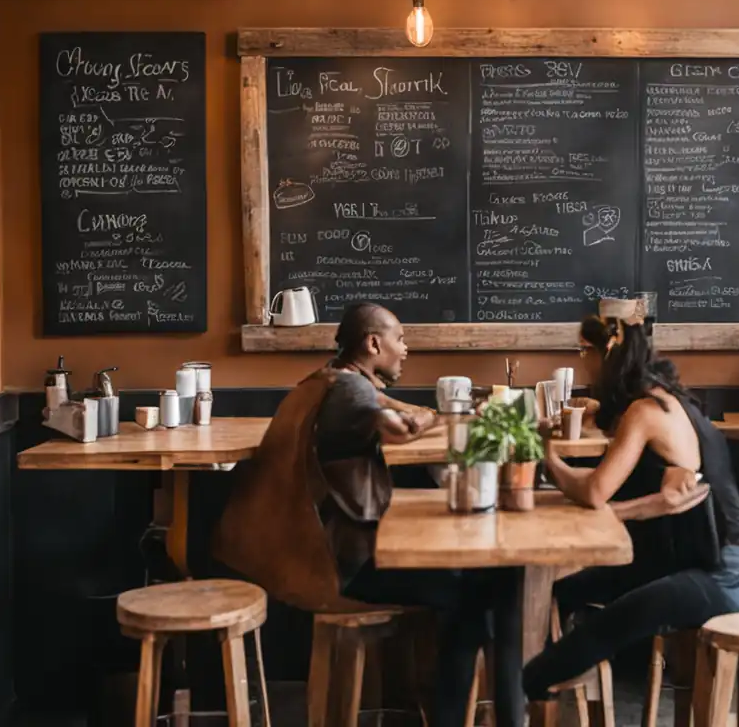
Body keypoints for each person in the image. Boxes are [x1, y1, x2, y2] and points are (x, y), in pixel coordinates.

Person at [214, 302, 524, 727]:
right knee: (485, 593)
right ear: (374, 342)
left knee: (486, 587)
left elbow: (393, 409)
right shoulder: (350, 391)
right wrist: (449, 418)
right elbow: (395, 429)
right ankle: (495, 714)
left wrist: (435, 415)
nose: (406, 348)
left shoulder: (331, 378)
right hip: (346, 567)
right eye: (400, 338)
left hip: (328, 549)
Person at [522, 299, 739, 702]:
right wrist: (558, 467)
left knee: (603, 628)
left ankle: (525, 686)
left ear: (607, 355)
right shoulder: (669, 399)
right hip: (696, 559)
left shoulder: (646, 412)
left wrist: (547, 457)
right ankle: (552, 686)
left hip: (724, 576)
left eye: (585, 353)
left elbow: (596, 492)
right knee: (562, 588)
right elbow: (601, 484)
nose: (583, 364)